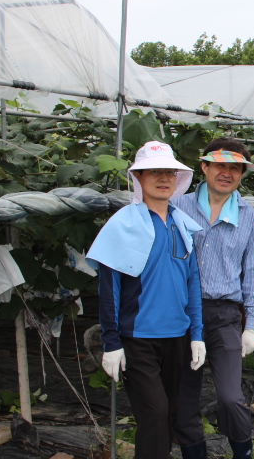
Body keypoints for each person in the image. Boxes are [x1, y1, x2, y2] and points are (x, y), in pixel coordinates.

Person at [87, 141, 205, 459]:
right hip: (138, 338)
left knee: (168, 415)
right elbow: (109, 289)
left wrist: (197, 335)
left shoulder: (182, 226)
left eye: (168, 172)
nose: (162, 178)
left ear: (177, 179)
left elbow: (192, 285)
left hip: (177, 337)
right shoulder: (124, 225)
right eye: (153, 171)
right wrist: (111, 343)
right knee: (153, 413)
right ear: (138, 177)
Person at [172, 137, 254, 459]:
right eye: (220, 166)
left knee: (229, 396)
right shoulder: (178, 207)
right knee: (183, 399)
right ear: (205, 167)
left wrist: (252, 325)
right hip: (181, 313)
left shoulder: (248, 217)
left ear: (242, 174)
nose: (226, 173)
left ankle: (242, 452)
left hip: (224, 314)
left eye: (235, 168)